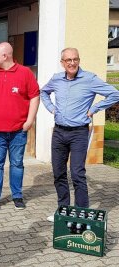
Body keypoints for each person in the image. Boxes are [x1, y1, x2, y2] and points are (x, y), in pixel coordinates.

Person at [41, 48, 119, 222]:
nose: (72, 63)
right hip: (59, 132)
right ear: (62, 62)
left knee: (77, 173)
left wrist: (94, 109)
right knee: (58, 173)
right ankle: (63, 210)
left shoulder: (89, 79)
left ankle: (81, 214)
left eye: (75, 59)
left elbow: (115, 94)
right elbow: (43, 92)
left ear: (79, 60)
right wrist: (51, 108)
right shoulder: (56, 79)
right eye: (68, 60)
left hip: (79, 133)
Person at [0, 42, 40, 213]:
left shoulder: (25, 73)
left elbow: (35, 96)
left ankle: (17, 196)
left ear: (5, 56)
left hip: (18, 131)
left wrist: (30, 121)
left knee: (17, 164)